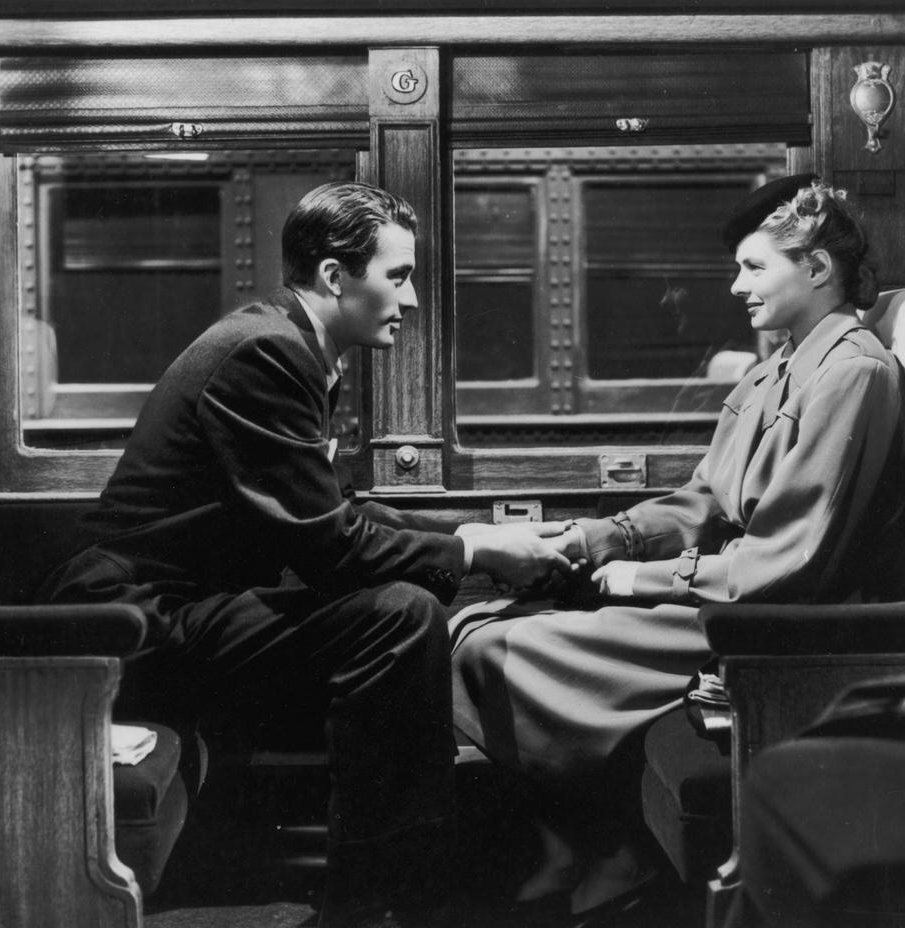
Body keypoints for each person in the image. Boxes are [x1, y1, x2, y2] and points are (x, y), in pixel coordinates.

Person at [37, 181, 573, 928]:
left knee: (403, 608)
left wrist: (468, 534)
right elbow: (331, 547)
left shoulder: (293, 346)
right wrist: (473, 549)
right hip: (131, 625)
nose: (412, 301)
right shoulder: (265, 353)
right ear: (333, 277)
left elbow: (332, 513)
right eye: (398, 276)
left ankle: (390, 887)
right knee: (397, 615)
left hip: (180, 608)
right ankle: (377, 901)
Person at [450, 175, 905, 919]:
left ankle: (601, 846)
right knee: (475, 625)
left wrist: (642, 580)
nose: (736, 286)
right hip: (724, 591)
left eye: (756, 267)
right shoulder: (776, 367)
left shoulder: (853, 373)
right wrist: (599, 540)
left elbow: (788, 559)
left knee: (489, 651)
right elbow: (704, 499)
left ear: (818, 269)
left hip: (762, 622)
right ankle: (587, 842)